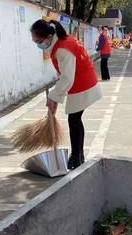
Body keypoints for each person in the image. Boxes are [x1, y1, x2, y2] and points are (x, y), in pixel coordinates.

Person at [31, 19, 102, 169]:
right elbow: (65, 75)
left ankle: (76, 156)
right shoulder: (60, 41)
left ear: (49, 37)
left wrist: (53, 96)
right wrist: (56, 97)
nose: (37, 44)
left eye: (38, 40)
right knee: (76, 119)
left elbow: (67, 78)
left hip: (82, 84)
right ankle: (78, 155)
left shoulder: (63, 48)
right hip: (82, 82)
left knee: (74, 120)